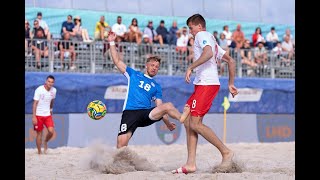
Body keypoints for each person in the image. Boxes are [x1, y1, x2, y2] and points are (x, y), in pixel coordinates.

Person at [172, 14, 239, 174]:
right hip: (204, 84)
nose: (191, 32)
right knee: (189, 122)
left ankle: (226, 152)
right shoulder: (213, 40)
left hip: (207, 84)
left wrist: (190, 67)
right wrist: (230, 83)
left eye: (191, 28)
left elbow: (208, 53)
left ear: (199, 26)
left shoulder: (202, 35)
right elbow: (231, 61)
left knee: (195, 124)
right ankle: (190, 164)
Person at [106, 32, 189, 148]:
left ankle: (185, 120)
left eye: (157, 67)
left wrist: (168, 123)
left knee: (168, 105)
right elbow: (117, 61)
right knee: (121, 146)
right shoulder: (133, 74)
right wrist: (111, 41)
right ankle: (120, 164)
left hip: (146, 114)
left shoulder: (156, 86)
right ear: (146, 65)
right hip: (130, 113)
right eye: (152, 65)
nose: (154, 68)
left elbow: (160, 107)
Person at [32, 75, 57, 155]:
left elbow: (52, 101)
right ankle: (39, 152)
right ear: (46, 81)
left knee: (51, 131)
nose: (50, 83)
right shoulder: (39, 90)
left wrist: (51, 109)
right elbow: (35, 104)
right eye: (49, 81)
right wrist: (34, 116)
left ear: (53, 83)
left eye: (52, 82)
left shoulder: (54, 90)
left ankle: (45, 141)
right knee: (39, 134)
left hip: (47, 115)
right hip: (38, 115)